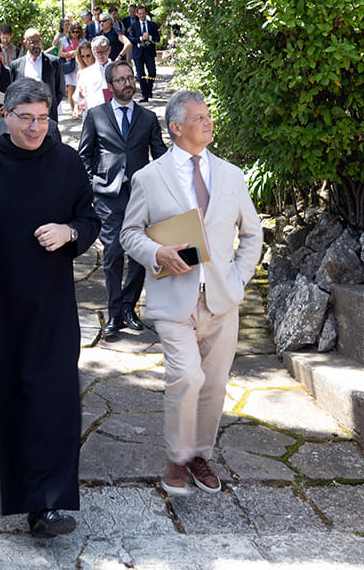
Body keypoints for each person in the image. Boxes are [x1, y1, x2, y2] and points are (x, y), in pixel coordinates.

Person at [0, 78, 100, 538]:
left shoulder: (67, 163)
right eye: (26, 118)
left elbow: (91, 218)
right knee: (16, 406)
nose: (36, 127)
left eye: (43, 118)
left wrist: (69, 232)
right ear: (6, 117)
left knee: (56, 404)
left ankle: (49, 506)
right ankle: (32, 501)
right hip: (1, 308)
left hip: (53, 309)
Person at [120, 90, 262, 496]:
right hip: (173, 301)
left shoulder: (232, 175)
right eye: (199, 117)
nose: (208, 121)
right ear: (176, 127)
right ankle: (177, 458)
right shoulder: (149, 177)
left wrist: (238, 280)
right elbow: (129, 234)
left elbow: (252, 234)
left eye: (209, 115)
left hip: (222, 299)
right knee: (186, 376)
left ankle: (201, 453)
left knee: (214, 384)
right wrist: (157, 252)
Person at [78, 61, 167, 335]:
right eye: (121, 80)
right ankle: (114, 313)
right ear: (110, 85)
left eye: (130, 78)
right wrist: (94, 185)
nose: (128, 83)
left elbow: (160, 155)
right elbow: (84, 156)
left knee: (140, 254)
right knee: (113, 252)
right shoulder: (96, 115)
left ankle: (129, 308)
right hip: (108, 195)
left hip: (141, 196)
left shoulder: (148, 118)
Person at [10, 28, 66, 123]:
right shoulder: (16, 65)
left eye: (38, 41)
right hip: (24, 118)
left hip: (47, 116)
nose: (36, 45)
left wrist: (48, 107)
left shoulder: (53, 63)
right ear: (25, 43)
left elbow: (60, 90)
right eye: (32, 42)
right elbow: (12, 92)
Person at [72, 35, 112, 116]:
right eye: (97, 52)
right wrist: (80, 96)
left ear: (109, 50)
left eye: (103, 52)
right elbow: (76, 99)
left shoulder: (118, 70)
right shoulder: (85, 73)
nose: (100, 55)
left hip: (114, 115)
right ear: (92, 51)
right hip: (93, 116)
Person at [128, 6, 160, 103]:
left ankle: (149, 89)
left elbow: (157, 38)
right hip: (138, 53)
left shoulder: (152, 25)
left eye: (143, 13)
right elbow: (131, 38)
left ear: (146, 13)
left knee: (152, 72)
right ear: (137, 14)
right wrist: (141, 38)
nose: (142, 15)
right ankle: (144, 94)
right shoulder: (134, 25)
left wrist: (149, 37)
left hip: (149, 52)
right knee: (141, 74)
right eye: (140, 14)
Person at [58, 22, 84, 119]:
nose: (75, 34)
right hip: (69, 67)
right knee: (71, 90)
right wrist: (70, 53)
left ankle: (83, 110)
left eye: (77, 32)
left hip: (79, 67)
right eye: (73, 32)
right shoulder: (65, 40)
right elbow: (60, 53)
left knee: (81, 89)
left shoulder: (83, 41)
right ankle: (74, 111)